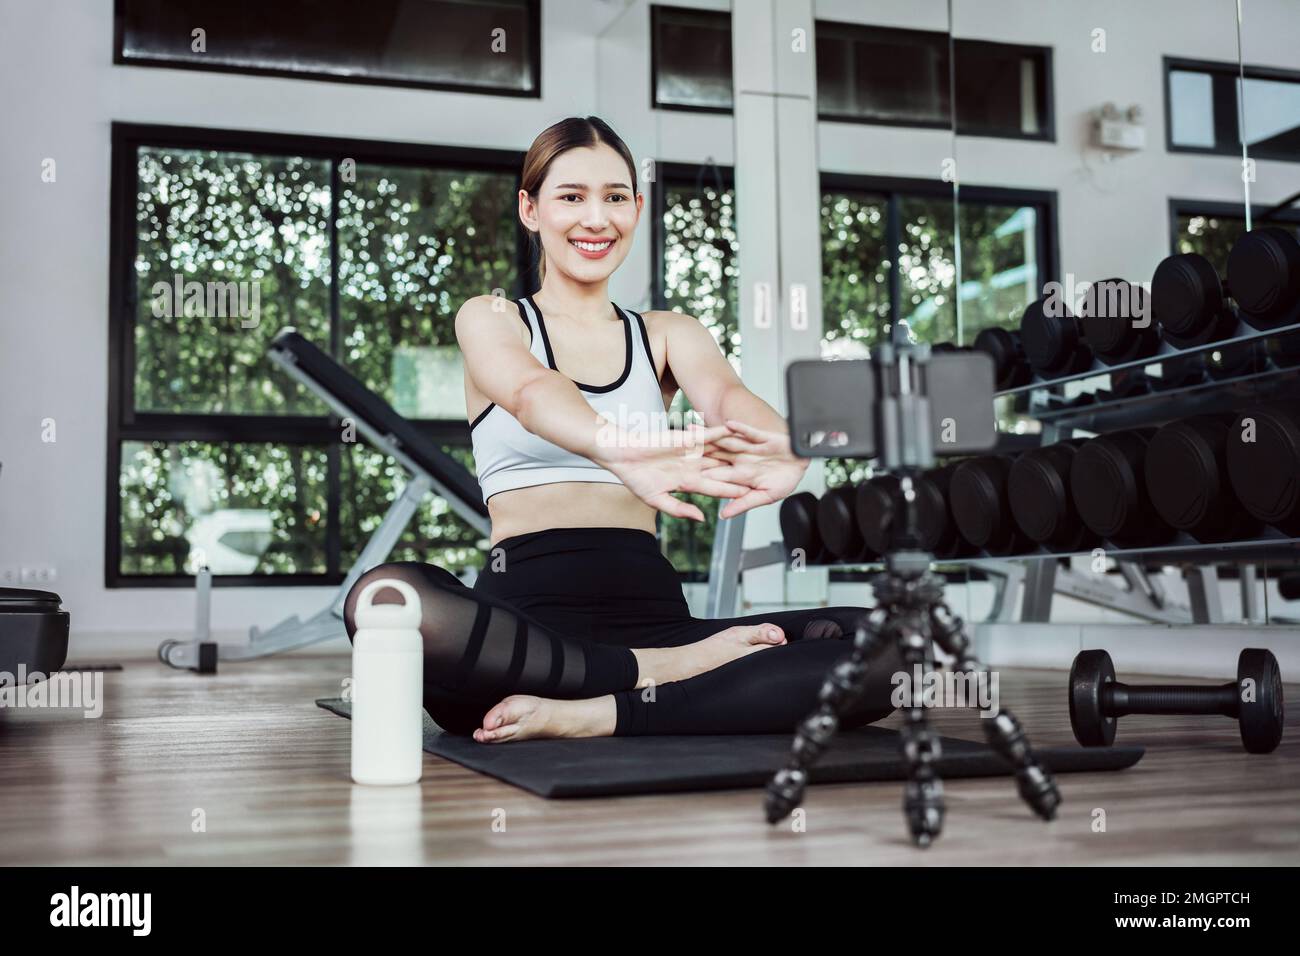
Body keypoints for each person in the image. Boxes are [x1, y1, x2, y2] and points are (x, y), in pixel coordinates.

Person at [343, 116, 903, 743]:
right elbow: (532, 392)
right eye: (570, 196)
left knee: (895, 643)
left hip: (655, 617)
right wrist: (616, 446)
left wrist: (788, 446)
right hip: (527, 637)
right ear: (530, 210)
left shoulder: (666, 333)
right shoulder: (493, 317)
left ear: (637, 207)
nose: (596, 218)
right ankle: (660, 677)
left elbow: (728, 398)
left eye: (615, 197)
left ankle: (605, 711)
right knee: (388, 598)